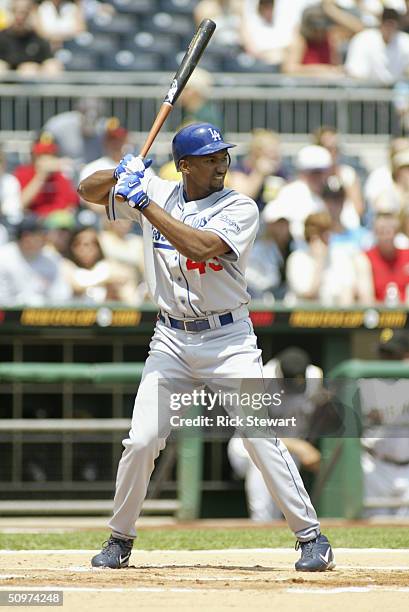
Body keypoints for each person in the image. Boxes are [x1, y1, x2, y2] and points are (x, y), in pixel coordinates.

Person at [78, 121, 334, 572]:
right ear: (184, 166)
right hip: (170, 338)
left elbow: (198, 243)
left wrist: (143, 202)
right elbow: (87, 190)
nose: (221, 165)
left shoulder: (240, 206)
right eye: (210, 158)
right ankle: (120, 537)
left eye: (222, 157)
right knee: (141, 440)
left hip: (228, 338)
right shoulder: (156, 188)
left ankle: (312, 538)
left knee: (260, 435)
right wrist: (121, 174)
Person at [228, 347, 323, 521]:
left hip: (290, 448)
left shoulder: (315, 376)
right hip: (246, 446)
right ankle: (261, 523)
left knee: (281, 503)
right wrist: (301, 447)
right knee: (262, 459)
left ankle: (275, 527)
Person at [360, 328, 409, 517]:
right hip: (376, 466)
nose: (387, 359)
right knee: (374, 526)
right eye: (384, 353)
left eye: (393, 354)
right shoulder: (367, 383)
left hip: (407, 468)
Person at [285, 211, 371, 305]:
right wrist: (319, 262)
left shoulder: (338, 256)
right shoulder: (297, 259)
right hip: (303, 317)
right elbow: (309, 294)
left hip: (334, 316)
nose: (328, 237)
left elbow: (349, 291)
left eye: (328, 231)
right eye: (321, 233)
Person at [262, 144, 332, 243]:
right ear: (302, 172)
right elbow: (270, 218)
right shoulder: (291, 192)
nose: (318, 177)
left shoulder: (329, 195)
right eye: (314, 173)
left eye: (321, 172)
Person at [0, 215, 71, 305]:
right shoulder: (3, 258)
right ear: (26, 237)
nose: (45, 238)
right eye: (41, 235)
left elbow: (62, 294)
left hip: (44, 314)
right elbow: (3, 299)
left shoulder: (51, 257)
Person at [13, 136, 79, 218]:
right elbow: (20, 204)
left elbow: (72, 204)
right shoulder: (23, 173)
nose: (46, 159)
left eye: (50, 154)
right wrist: (41, 176)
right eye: (41, 155)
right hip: (33, 221)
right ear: (33, 156)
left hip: (58, 220)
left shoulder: (61, 174)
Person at [345, 7, 409, 84]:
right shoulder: (364, 39)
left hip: (397, 91)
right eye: (387, 23)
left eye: (392, 24)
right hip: (367, 90)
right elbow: (355, 74)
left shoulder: (405, 41)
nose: (389, 28)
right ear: (381, 23)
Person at [0, 0, 62, 75]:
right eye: (16, 11)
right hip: (6, 80)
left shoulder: (37, 37)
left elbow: (49, 60)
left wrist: (38, 68)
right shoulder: (2, 37)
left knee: (50, 67)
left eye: (24, 12)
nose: (20, 17)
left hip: (32, 80)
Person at [282, 4, 344, 77]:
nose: (319, 32)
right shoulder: (300, 41)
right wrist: (321, 71)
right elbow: (289, 69)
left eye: (322, 29)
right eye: (315, 29)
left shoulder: (330, 39)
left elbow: (335, 66)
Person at [363, 212, 409, 303]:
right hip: (378, 313)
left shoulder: (407, 256)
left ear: (396, 233)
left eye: (388, 232)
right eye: (381, 232)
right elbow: (366, 297)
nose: (385, 237)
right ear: (375, 233)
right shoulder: (366, 258)